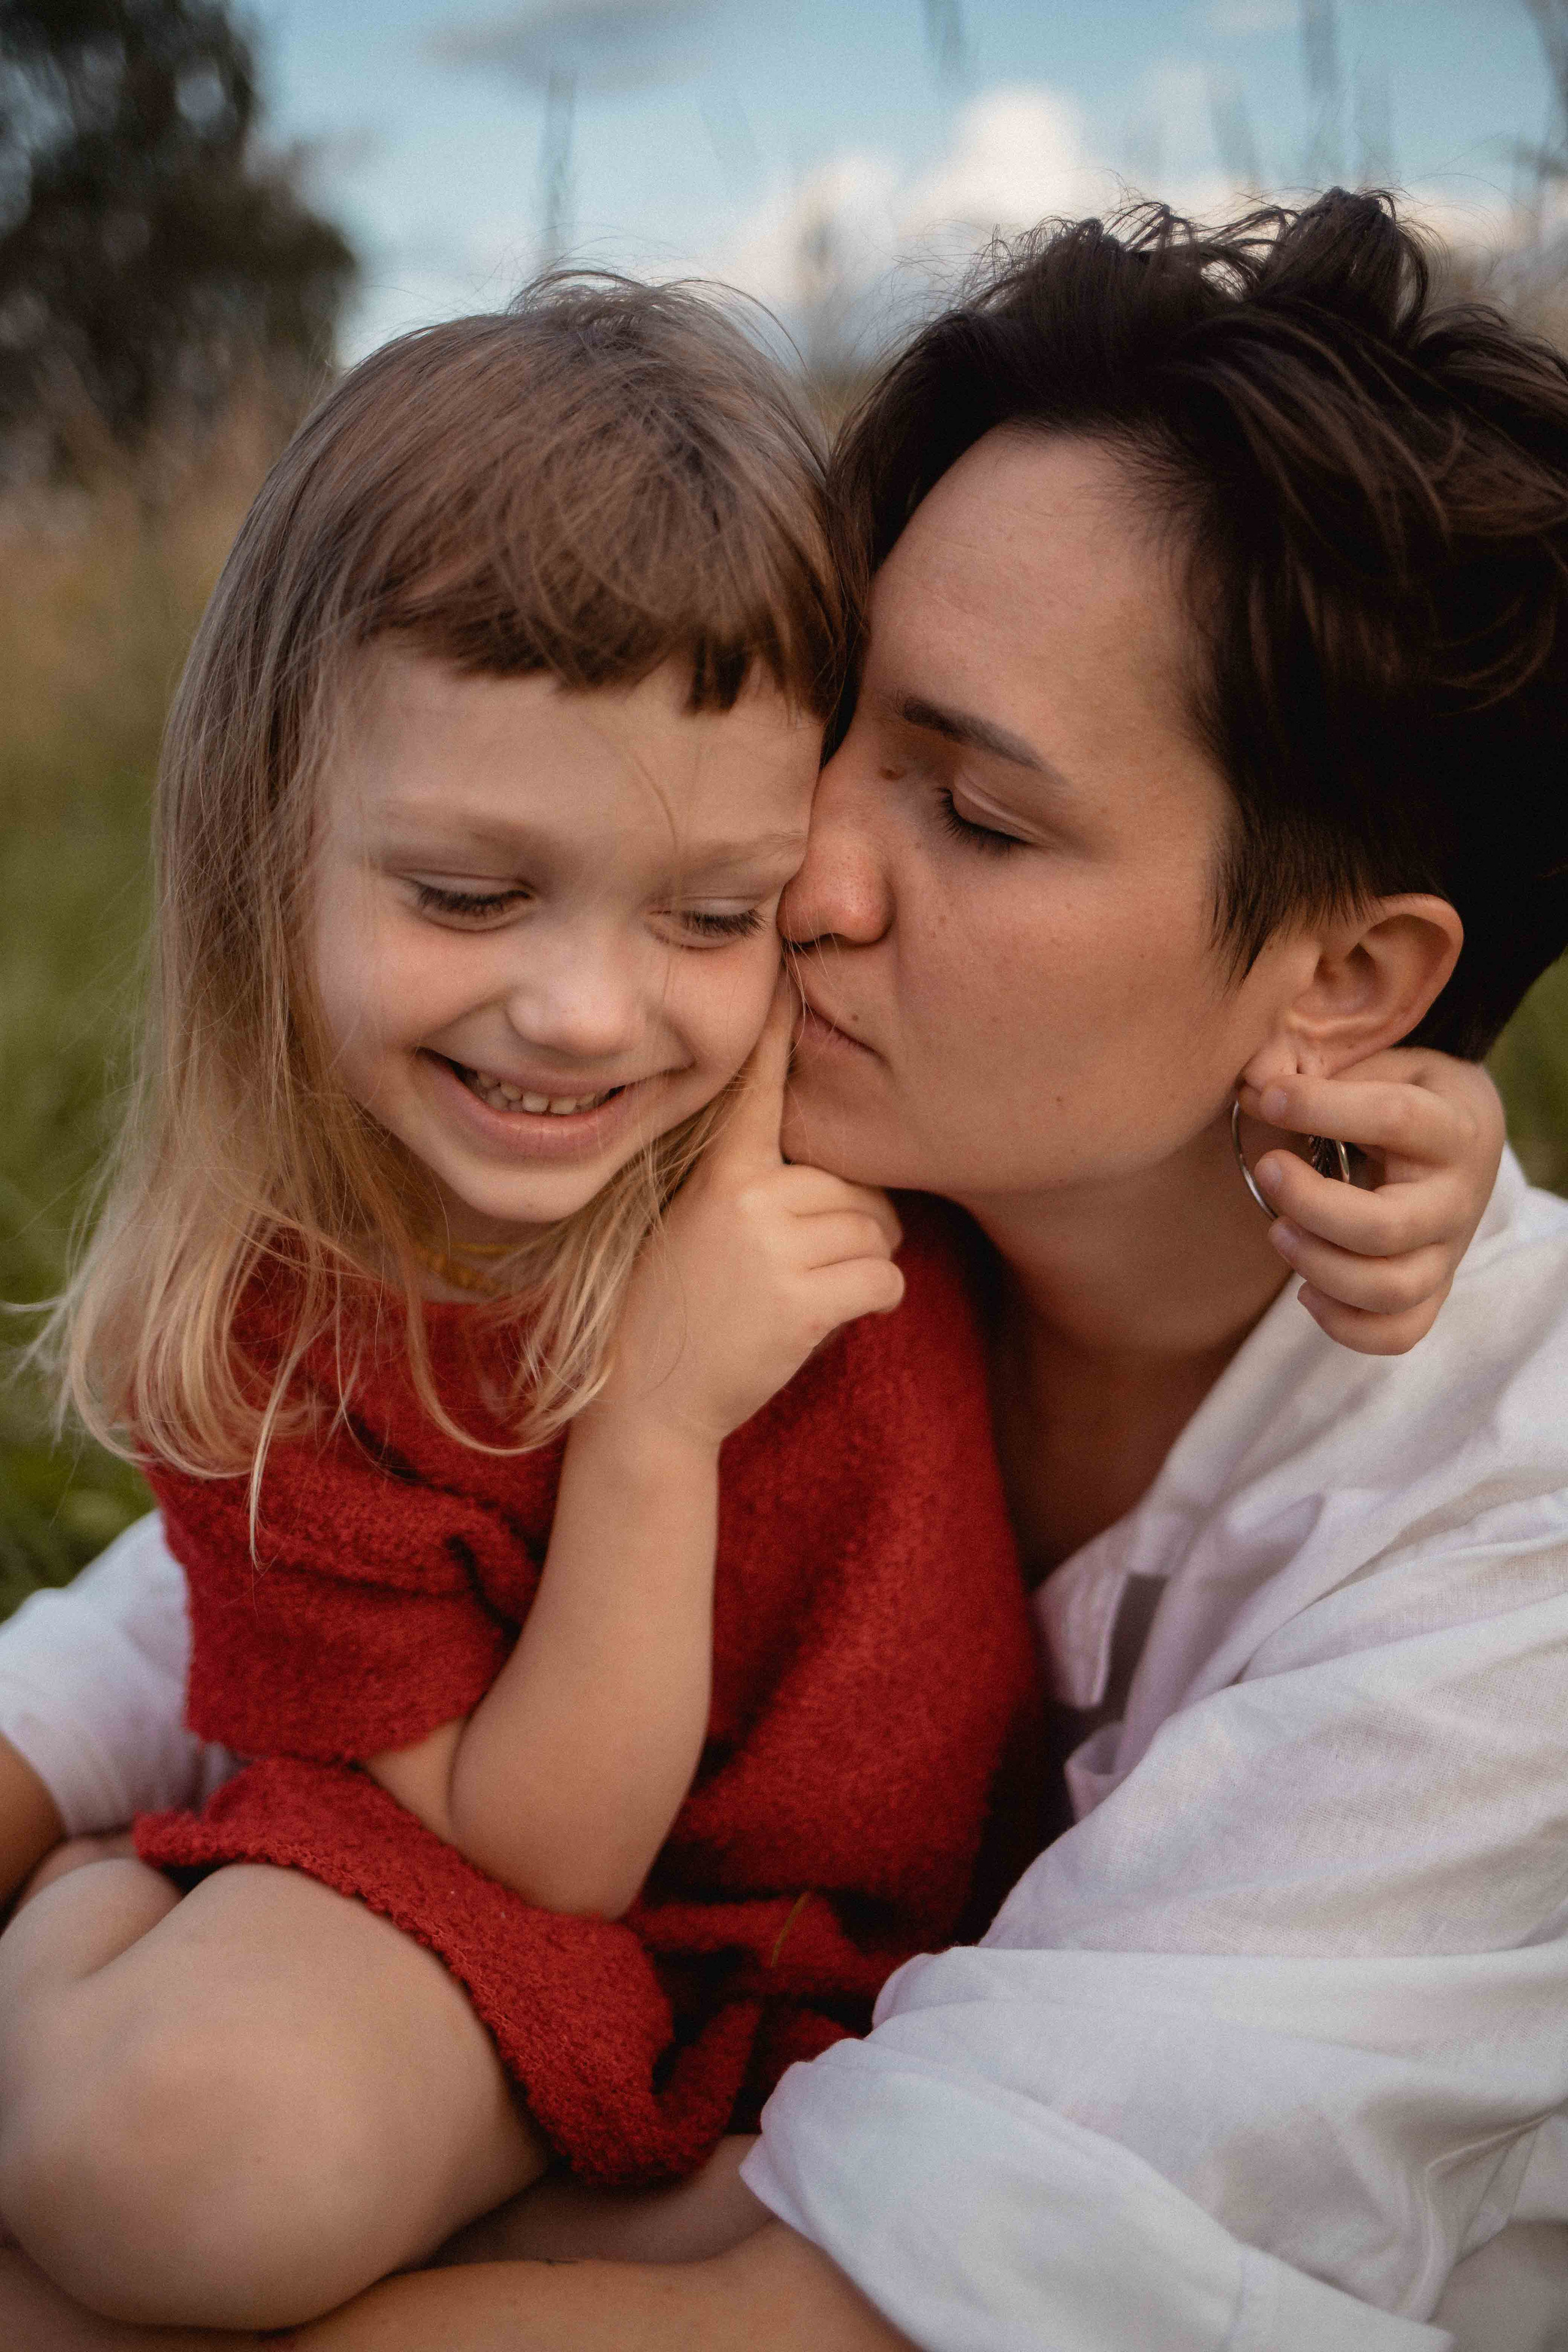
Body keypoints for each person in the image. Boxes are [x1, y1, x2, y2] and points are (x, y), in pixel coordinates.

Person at [0, 189, 1560, 2351]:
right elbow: (324, 1510)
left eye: (978, 820)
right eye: (848, 731)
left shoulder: (1506, 1593)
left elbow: (840, 2311)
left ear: (1351, 981)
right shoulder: (829, 1131)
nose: (794, 882)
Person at [0, 276, 1049, 2331]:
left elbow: (1174, 1089)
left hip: (825, 1973)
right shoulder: (273, 1328)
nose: (583, 1015)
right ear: (265, 846)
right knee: (181, 2175)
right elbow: (540, 1858)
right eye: (469, 894)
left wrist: (1420, 1151)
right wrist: (653, 1418)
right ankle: (75, 1945)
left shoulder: (835, 1101)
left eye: (709, 911)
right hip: (488, 1912)